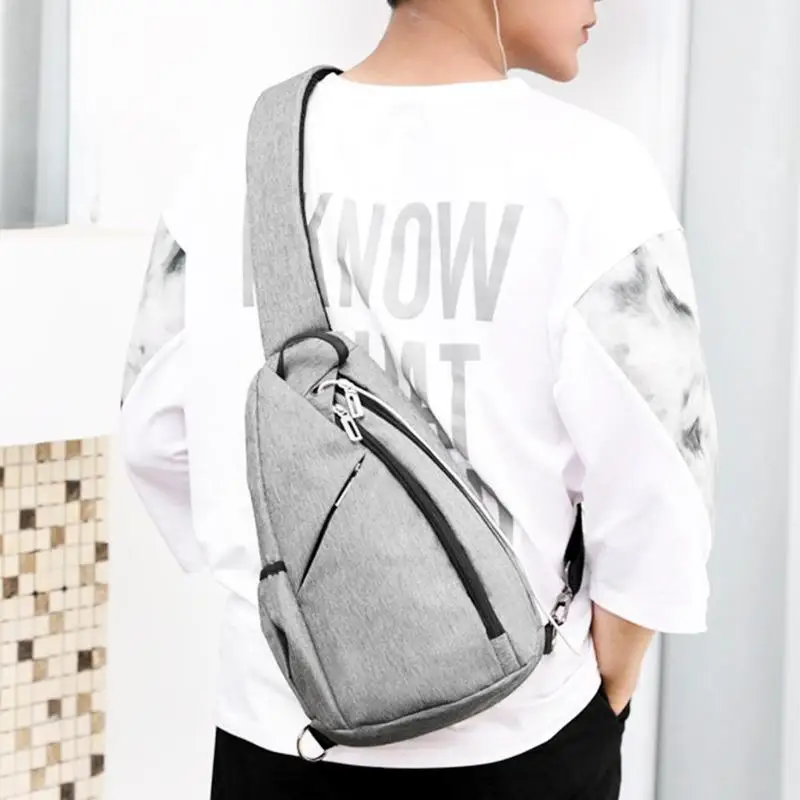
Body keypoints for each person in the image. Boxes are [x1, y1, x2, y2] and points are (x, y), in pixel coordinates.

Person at [119, 1, 718, 798]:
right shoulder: (594, 175)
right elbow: (662, 490)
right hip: (519, 741)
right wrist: (605, 698)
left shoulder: (232, 165)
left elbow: (153, 437)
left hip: (279, 735)